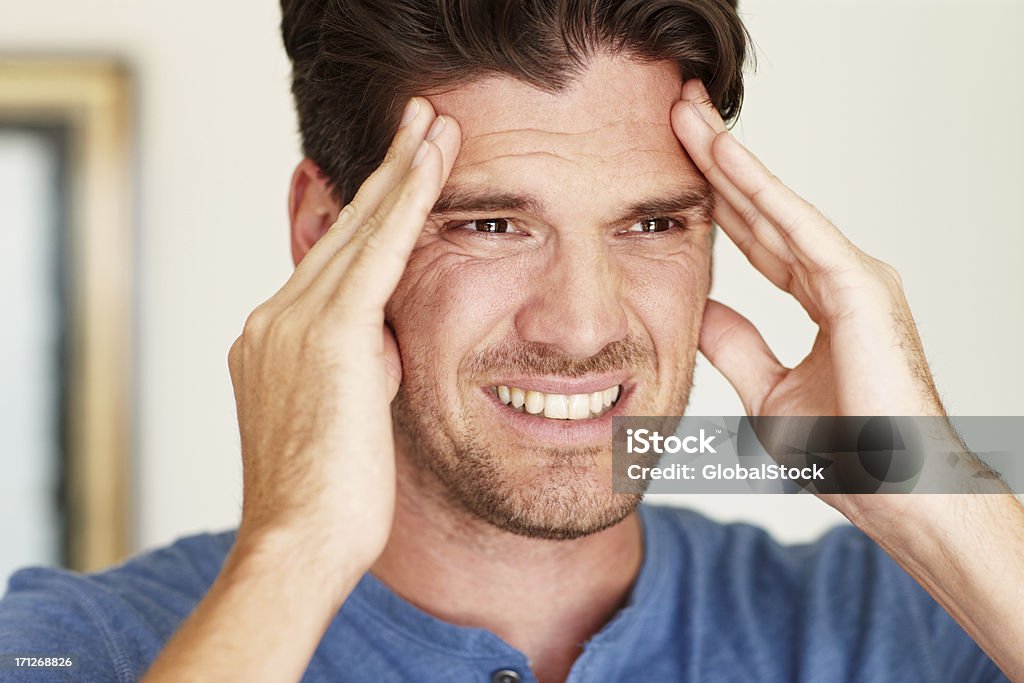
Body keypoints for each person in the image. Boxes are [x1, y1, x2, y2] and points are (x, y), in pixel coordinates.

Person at [1, 1, 1022, 681]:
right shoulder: (79, 645)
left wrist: (930, 493)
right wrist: (297, 549)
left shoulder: (907, 631)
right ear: (323, 235)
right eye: (490, 224)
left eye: (653, 223)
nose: (583, 324)